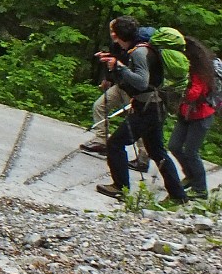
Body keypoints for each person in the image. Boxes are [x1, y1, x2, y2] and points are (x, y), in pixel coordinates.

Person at [95, 16, 186, 204]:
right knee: (157, 151)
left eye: (114, 32)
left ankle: (120, 187)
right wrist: (115, 65)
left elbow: (142, 81)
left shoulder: (139, 52)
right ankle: (178, 195)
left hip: (147, 108)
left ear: (119, 35)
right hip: (155, 106)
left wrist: (120, 67)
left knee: (115, 143)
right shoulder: (144, 48)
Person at [79, 20, 148, 171]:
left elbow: (135, 73)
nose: (112, 34)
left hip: (134, 91)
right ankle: (101, 140)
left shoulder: (138, 50)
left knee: (136, 124)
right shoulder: (116, 45)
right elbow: (114, 62)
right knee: (100, 105)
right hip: (121, 86)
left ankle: (143, 157)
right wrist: (107, 79)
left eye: (114, 31)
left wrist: (117, 66)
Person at [168, 35, 217, 200]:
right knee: (174, 145)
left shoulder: (201, 71)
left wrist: (178, 88)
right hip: (186, 113)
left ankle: (201, 189)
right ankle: (190, 175)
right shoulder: (189, 69)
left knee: (191, 151)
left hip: (201, 115)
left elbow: (195, 93)